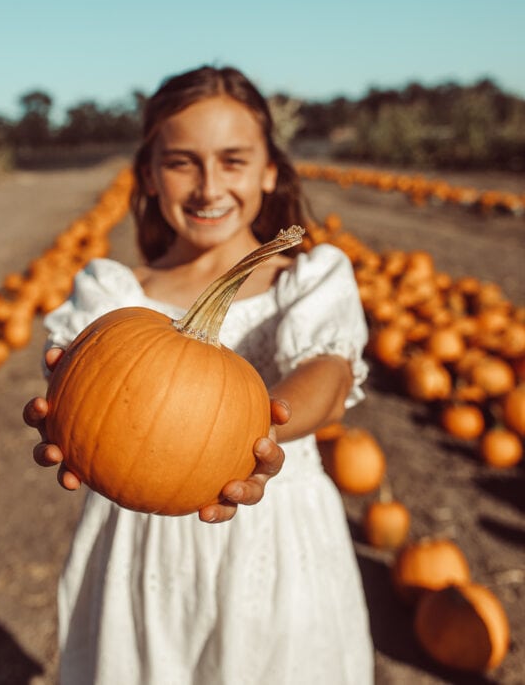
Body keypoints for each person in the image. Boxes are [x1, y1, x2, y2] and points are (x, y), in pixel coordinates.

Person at [24, 64, 374, 684]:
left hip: (280, 543)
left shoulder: (310, 277)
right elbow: (84, 389)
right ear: (151, 175)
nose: (209, 186)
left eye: (233, 161)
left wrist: (249, 435)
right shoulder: (116, 294)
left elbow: (328, 372)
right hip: (140, 552)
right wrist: (72, 394)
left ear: (270, 170)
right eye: (183, 162)